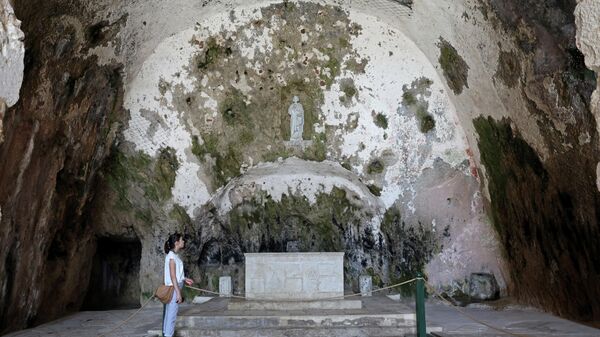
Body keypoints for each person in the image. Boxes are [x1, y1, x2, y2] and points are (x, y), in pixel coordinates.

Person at [162, 233, 193, 337]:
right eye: (181, 240)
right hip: (173, 289)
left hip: (176, 286)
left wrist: (184, 279)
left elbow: (176, 275)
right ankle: (168, 335)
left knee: (169, 315)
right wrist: (178, 293)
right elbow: (172, 276)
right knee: (171, 316)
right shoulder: (171, 257)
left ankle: (167, 335)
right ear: (176, 243)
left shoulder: (175, 255)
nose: (183, 241)